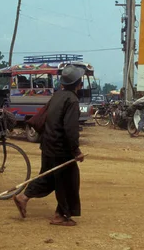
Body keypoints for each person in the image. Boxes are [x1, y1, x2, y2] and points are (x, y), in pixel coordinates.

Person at [12, 65, 86, 226]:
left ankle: (23, 197)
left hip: (48, 145)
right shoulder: (72, 100)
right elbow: (70, 128)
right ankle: (60, 215)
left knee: (49, 177)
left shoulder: (58, 95)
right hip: (61, 149)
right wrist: (76, 151)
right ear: (79, 84)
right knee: (69, 181)